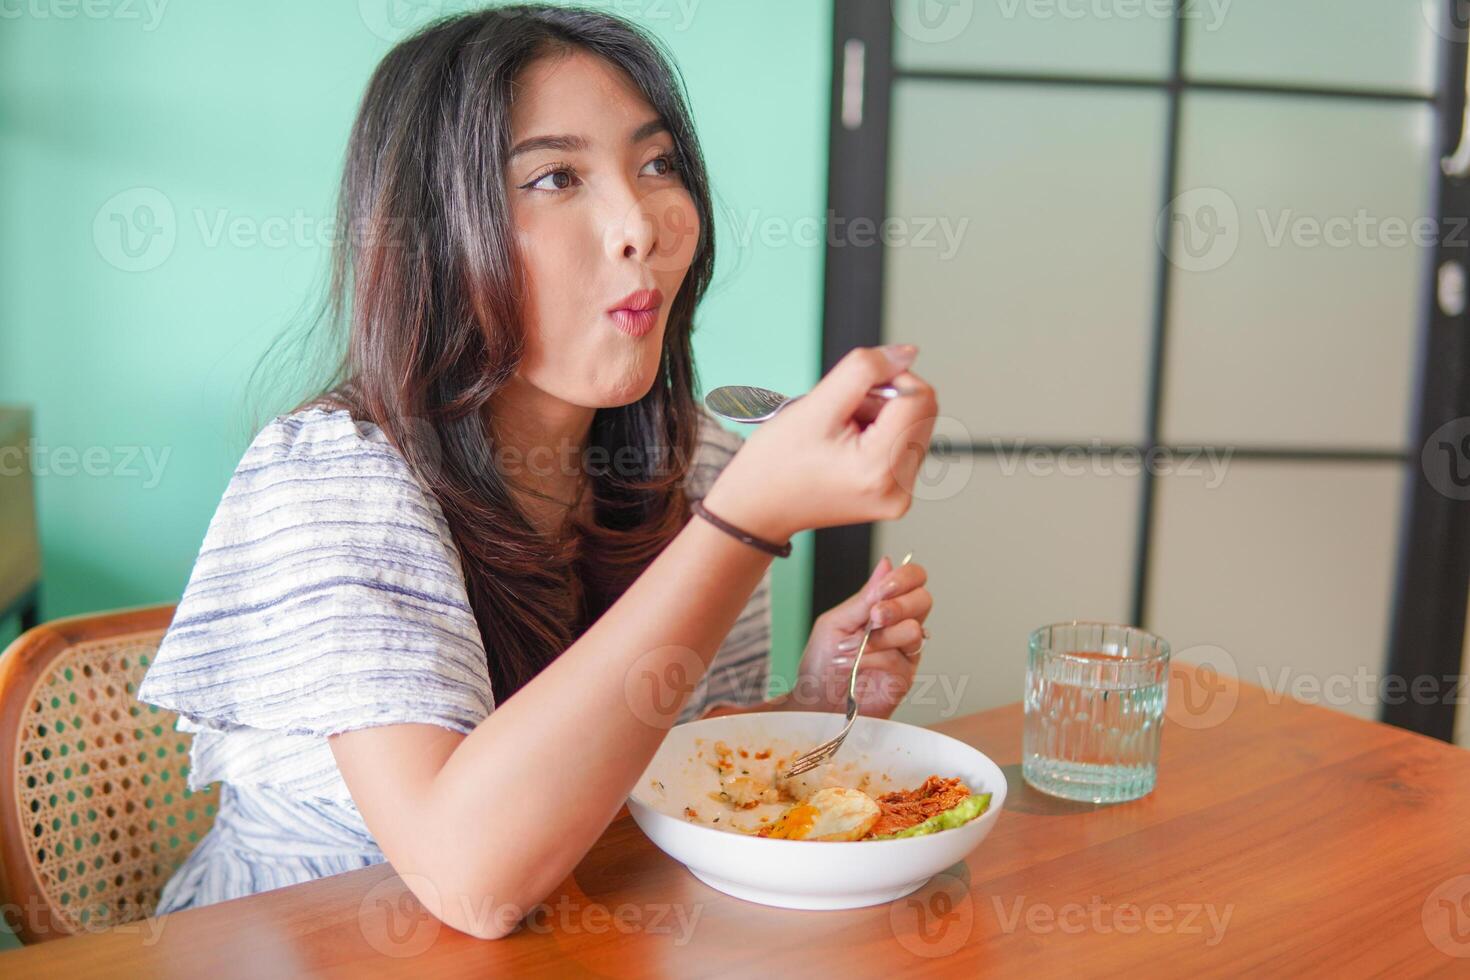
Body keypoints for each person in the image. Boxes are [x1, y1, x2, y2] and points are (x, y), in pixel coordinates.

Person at [137, 4, 937, 939]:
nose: (637, 222)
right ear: (431, 233)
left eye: (657, 164)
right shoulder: (335, 476)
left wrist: (804, 705)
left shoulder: (699, 458)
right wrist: (745, 523)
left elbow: (646, 772)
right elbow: (468, 881)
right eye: (556, 177)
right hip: (312, 945)